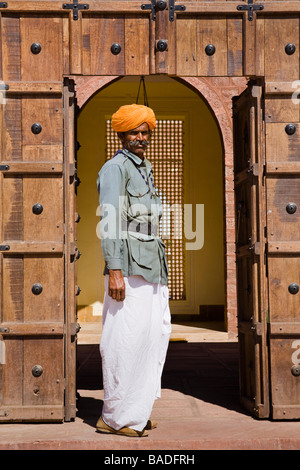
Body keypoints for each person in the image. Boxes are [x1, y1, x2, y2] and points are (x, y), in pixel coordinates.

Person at [96, 104, 172, 437]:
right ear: (122, 134)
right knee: (123, 341)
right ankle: (115, 417)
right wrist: (114, 269)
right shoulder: (115, 169)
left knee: (152, 336)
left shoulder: (144, 167)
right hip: (127, 265)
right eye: (134, 132)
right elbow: (110, 220)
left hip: (152, 264)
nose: (140, 138)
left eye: (145, 132)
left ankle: (137, 410)